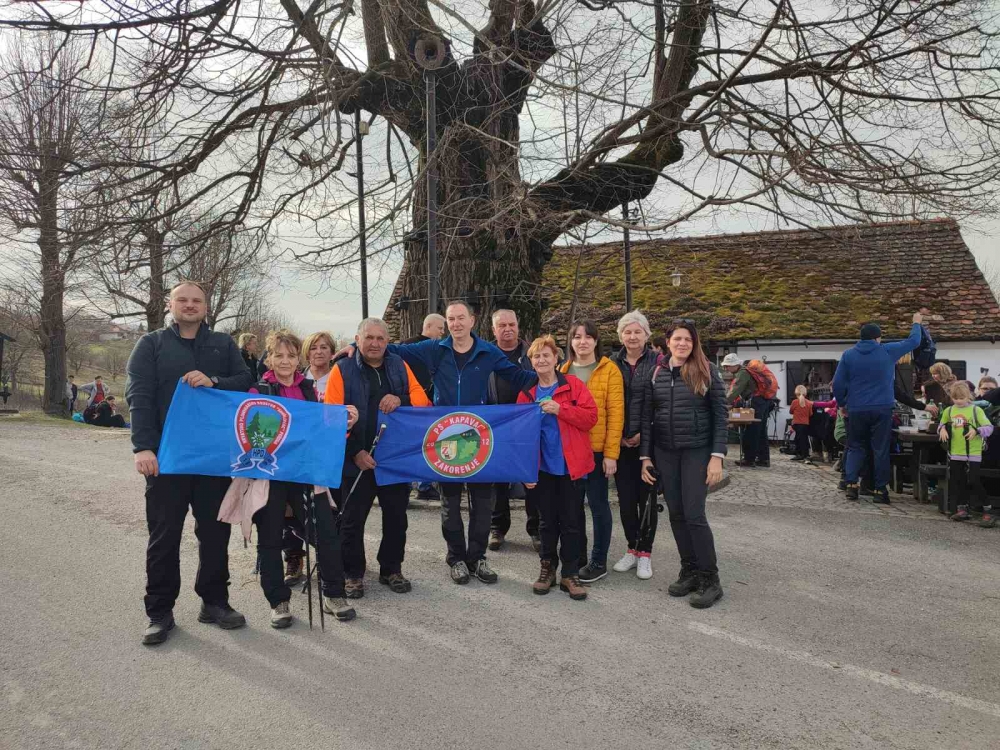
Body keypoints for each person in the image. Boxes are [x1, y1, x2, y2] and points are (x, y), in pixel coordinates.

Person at [338, 301, 537, 585]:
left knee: (482, 503)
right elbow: (391, 348)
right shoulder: (434, 349)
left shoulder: (488, 352)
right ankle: (456, 558)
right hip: (445, 438)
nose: (456, 324)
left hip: (480, 437)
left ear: (472, 320)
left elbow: (519, 377)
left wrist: (552, 379)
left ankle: (477, 557)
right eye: (451, 319)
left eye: (461, 318)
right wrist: (353, 346)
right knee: (450, 504)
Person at [125, 280, 255, 646]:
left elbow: (246, 381)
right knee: (164, 536)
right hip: (167, 458)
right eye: (182, 299)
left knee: (215, 533)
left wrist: (213, 380)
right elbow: (139, 395)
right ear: (171, 304)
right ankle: (159, 612)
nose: (190, 305)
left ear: (206, 307)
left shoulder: (224, 344)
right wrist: (142, 448)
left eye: (196, 300)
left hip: (214, 457)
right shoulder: (151, 344)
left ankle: (213, 601)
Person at [249, 329, 358, 627]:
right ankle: (278, 601)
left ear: (300, 358)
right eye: (279, 355)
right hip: (270, 475)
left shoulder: (309, 389)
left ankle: (333, 593)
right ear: (269, 358)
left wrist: (344, 422)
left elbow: (322, 431)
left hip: (306, 473)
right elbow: (250, 434)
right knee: (270, 538)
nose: (285, 361)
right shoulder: (258, 391)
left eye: (292, 355)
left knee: (326, 533)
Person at [325, 318, 430, 598]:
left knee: (396, 518)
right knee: (351, 520)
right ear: (357, 340)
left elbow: (423, 403)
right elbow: (332, 418)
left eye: (380, 339)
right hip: (356, 458)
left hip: (394, 459)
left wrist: (401, 399)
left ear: (387, 341)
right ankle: (353, 574)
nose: (375, 343)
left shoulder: (399, 365)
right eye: (369, 338)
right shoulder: (342, 369)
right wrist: (355, 452)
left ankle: (391, 569)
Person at [635, 320, 727, 609]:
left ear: (694, 343)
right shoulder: (656, 374)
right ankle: (689, 570)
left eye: (688, 339)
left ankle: (710, 578)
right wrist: (645, 457)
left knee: (694, 514)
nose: (682, 343)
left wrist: (717, 457)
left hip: (697, 451)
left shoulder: (707, 371)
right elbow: (648, 420)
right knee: (676, 514)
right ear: (668, 342)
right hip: (665, 452)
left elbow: (720, 416)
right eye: (678, 339)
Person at [518, 335, 597, 601]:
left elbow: (590, 418)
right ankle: (547, 569)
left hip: (572, 468)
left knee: (572, 522)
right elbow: (519, 436)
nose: (541, 360)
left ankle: (570, 574)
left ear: (556, 358)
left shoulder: (573, 386)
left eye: (546, 355)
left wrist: (560, 409)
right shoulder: (526, 393)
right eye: (536, 357)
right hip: (542, 469)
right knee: (547, 523)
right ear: (531, 362)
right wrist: (525, 471)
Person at [832, 314, 924, 504]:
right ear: (877, 338)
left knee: (856, 446)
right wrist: (916, 323)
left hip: (857, 408)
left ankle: (851, 485)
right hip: (882, 408)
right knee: (880, 449)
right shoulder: (887, 351)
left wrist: (842, 405)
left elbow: (839, 384)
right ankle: (880, 490)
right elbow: (914, 341)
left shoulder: (848, 355)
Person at [560, 319, 624, 584]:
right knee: (573, 508)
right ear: (571, 341)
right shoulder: (563, 370)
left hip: (597, 451)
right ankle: (579, 557)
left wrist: (611, 454)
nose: (582, 341)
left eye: (588, 337)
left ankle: (599, 560)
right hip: (571, 451)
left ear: (596, 341)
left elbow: (616, 414)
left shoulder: (609, 370)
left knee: (598, 506)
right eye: (577, 336)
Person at [281, 330, 338, 583]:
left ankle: (334, 561)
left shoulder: (340, 376)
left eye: (324, 347)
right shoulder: (296, 378)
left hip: (330, 453)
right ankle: (294, 557)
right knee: (291, 511)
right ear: (306, 352)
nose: (319, 352)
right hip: (297, 456)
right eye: (314, 347)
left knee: (328, 512)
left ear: (332, 351)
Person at [610, 310, 660, 580]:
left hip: (648, 444)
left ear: (646, 334)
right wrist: (616, 434)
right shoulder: (611, 362)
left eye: (637, 331)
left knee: (648, 500)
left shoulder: (658, 362)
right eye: (627, 332)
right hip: (619, 443)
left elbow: (660, 402)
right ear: (620, 335)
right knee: (626, 500)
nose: (632, 336)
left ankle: (645, 553)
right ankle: (632, 548)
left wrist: (645, 433)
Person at [487, 309, 538, 552]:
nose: (507, 329)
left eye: (511, 324)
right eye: (502, 325)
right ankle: (497, 528)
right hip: (494, 425)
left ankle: (536, 529)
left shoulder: (532, 352)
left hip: (526, 424)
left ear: (518, 326)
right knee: (496, 479)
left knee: (532, 478)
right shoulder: (484, 354)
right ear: (493, 329)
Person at [938, 382, 995, 526]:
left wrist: (977, 431)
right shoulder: (949, 411)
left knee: (974, 480)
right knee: (958, 480)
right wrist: (942, 429)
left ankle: (987, 509)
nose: (959, 401)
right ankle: (962, 508)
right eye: (955, 398)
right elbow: (942, 424)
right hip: (956, 452)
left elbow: (989, 427)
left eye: (962, 398)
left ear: (968, 396)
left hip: (973, 452)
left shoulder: (976, 410)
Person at [403, 313, 446, 501]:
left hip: (430, 404)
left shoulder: (441, 349)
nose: (443, 333)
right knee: (413, 445)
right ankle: (413, 484)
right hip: (411, 405)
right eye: (440, 329)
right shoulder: (409, 346)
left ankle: (424, 484)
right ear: (428, 326)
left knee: (428, 444)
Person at [721, 354, 773, 468]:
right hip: (764, 402)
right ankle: (764, 459)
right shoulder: (747, 371)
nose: (726, 369)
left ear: (735, 365)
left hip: (756, 402)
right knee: (761, 431)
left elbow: (734, 391)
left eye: (727, 366)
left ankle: (749, 459)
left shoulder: (743, 373)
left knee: (751, 431)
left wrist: (722, 403)